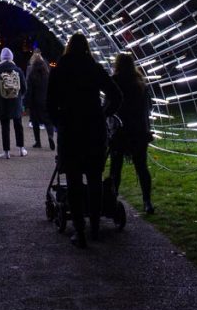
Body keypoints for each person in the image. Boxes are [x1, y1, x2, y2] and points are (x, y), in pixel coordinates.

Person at [47, 34, 122, 247]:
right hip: (93, 130)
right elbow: (116, 95)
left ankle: (80, 231)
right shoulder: (94, 68)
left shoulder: (60, 70)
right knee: (95, 179)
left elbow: (50, 103)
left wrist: (60, 121)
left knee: (73, 181)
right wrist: (104, 113)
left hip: (71, 131)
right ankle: (95, 227)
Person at [110, 54, 154, 215]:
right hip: (139, 131)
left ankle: (112, 198)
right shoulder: (140, 83)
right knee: (141, 166)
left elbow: (109, 104)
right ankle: (147, 201)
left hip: (120, 130)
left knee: (116, 167)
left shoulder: (115, 81)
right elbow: (148, 107)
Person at [0, 47, 28, 158]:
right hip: (16, 102)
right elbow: (24, 87)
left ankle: (6, 151)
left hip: (3, 102)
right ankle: (21, 149)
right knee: (18, 125)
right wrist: (20, 97)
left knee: (5, 127)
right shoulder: (17, 70)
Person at [26, 51, 54, 150]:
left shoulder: (32, 75)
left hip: (35, 102)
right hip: (46, 101)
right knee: (48, 121)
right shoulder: (48, 75)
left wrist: (27, 103)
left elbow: (29, 90)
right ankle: (50, 136)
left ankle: (38, 142)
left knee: (35, 123)